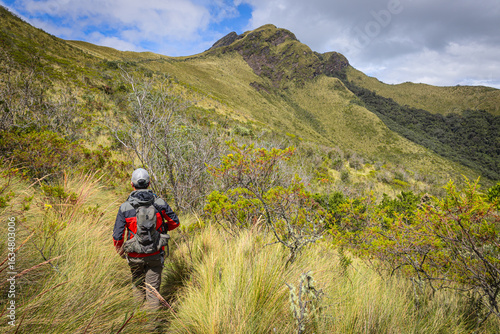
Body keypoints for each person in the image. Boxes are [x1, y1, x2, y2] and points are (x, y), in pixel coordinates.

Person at [113, 168, 180, 310]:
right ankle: (151, 327)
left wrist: (120, 251)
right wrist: (162, 228)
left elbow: (117, 236)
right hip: (155, 253)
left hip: (134, 254)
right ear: (149, 184)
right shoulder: (160, 203)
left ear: (132, 184)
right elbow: (175, 222)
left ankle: (137, 322)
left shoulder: (125, 207)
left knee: (137, 286)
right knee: (153, 291)